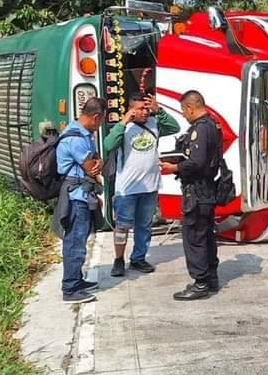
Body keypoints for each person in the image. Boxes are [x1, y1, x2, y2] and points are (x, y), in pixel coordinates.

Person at [102, 93, 180, 277]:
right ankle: (119, 260)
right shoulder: (123, 128)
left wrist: (158, 110)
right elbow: (108, 144)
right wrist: (123, 123)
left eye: (146, 108)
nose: (144, 112)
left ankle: (138, 258)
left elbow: (174, 126)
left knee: (144, 226)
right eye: (140, 108)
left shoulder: (155, 123)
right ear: (130, 109)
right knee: (122, 226)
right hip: (127, 188)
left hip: (149, 187)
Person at [161, 90, 223, 301]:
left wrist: (174, 167)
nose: (184, 116)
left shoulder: (201, 129)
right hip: (206, 190)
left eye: (184, 111)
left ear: (190, 107)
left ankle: (200, 283)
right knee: (206, 235)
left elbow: (196, 162)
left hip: (197, 191)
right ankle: (210, 278)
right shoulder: (213, 125)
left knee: (194, 237)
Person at [52, 97, 107, 305]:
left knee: (80, 239)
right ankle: (70, 288)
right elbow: (91, 166)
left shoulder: (84, 134)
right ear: (96, 117)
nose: (99, 125)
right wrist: (96, 164)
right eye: (100, 121)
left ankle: (77, 280)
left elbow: (95, 163)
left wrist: (96, 163)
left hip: (83, 194)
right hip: (75, 197)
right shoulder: (75, 138)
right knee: (75, 242)